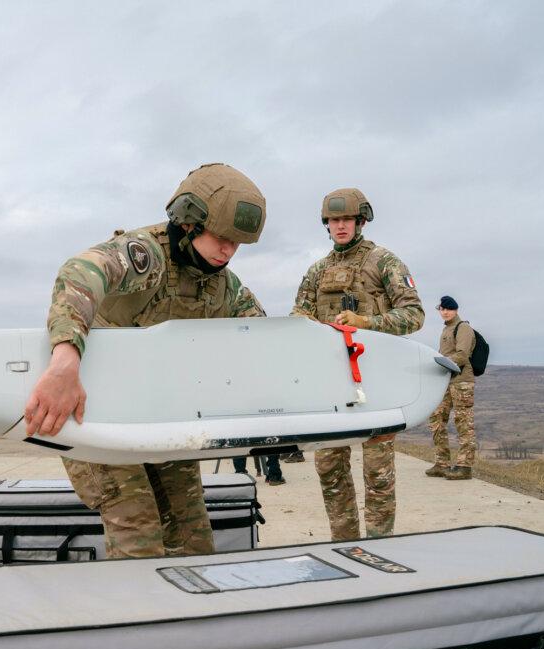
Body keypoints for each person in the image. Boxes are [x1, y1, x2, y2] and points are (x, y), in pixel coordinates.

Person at [26, 163, 267, 558]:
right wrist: (65, 360)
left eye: (237, 244)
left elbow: (262, 338)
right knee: (138, 530)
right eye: (222, 238)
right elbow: (81, 273)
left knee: (193, 536)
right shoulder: (147, 257)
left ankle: (192, 615)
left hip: (161, 416)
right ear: (189, 221)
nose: (228, 250)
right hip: (98, 416)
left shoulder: (223, 284)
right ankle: (141, 615)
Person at [290, 188, 423, 541]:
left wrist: (367, 323)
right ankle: (344, 544)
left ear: (360, 221)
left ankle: (380, 546)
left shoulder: (384, 262)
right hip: (329, 385)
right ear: (327, 224)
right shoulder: (317, 271)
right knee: (330, 469)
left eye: (347, 219)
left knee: (378, 474)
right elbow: (298, 318)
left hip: (377, 383)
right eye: (334, 220)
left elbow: (414, 314)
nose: (341, 226)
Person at [426, 295, 477, 480]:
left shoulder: (463, 328)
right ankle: (442, 463)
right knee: (436, 419)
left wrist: (442, 363)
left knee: (464, 423)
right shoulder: (447, 329)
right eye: (442, 309)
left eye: (449, 309)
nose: (445, 312)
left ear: (455, 310)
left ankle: (464, 466)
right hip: (446, 381)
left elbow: (462, 355)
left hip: (462, 381)